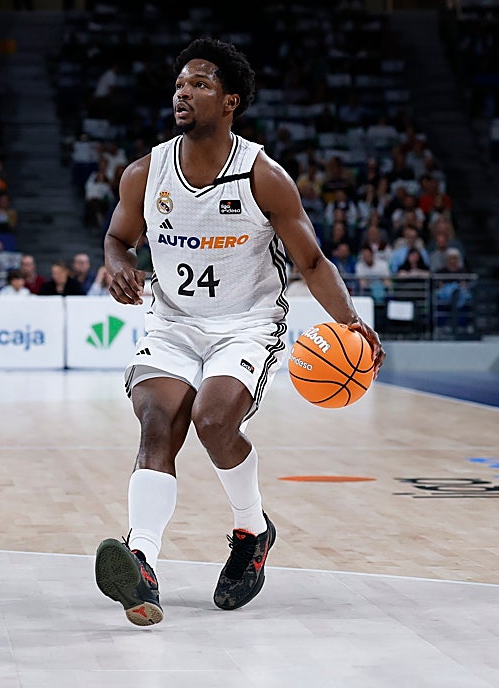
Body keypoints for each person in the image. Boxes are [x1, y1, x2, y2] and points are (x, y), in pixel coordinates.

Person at [93, 38, 384, 628]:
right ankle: (142, 560)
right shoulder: (144, 173)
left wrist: (351, 322)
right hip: (172, 321)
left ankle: (252, 531)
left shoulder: (262, 175)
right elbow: (117, 238)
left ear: (229, 102)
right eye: (180, 82)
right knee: (157, 422)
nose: (183, 91)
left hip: (245, 323)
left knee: (214, 419)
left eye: (199, 83)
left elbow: (311, 262)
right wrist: (119, 264)